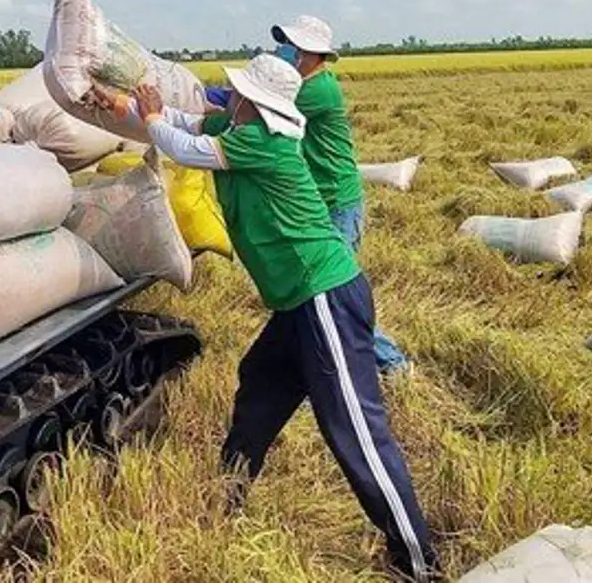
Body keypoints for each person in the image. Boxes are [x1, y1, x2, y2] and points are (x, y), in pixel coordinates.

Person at [91, 55, 438, 581]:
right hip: (297, 304)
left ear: (256, 101)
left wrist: (155, 117)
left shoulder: (265, 142)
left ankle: (419, 562)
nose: (229, 96)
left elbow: (180, 143)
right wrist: (119, 104)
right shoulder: (237, 126)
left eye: (237, 92)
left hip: (324, 297)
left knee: (355, 432)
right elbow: (181, 126)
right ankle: (226, 492)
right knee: (259, 383)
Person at [270, 15, 409, 375]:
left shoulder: (317, 90)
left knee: (337, 295)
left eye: (291, 46)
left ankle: (391, 363)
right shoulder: (305, 84)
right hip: (321, 200)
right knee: (318, 292)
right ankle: (312, 367)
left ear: (311, 54)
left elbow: (262, 109)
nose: (284, 51)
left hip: (338, 203)